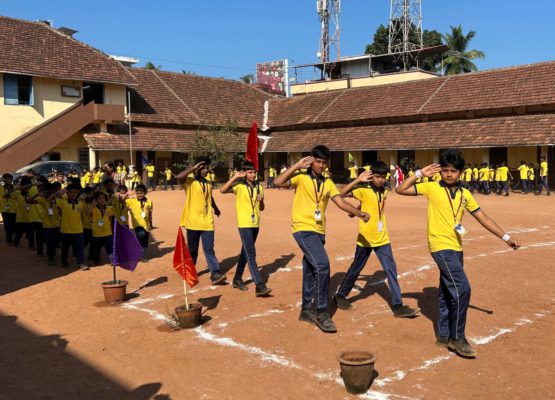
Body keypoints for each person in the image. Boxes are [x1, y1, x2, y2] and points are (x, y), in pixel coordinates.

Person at [396, 149, 520, 358]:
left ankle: (443, 335)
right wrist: (419, 174)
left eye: (453, 171)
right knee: (462, 288)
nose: (448, 174)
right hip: (439, 245)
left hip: (456, 247)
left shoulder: (465, 194)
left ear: (461, 172)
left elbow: (483, 218)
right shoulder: (431, 187)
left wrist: (506, 237)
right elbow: (400, 189)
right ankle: (457, 337)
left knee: (446, 291)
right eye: (445, 170)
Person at [273, 145, 369, 333]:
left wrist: (359, 213)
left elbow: (340, 201)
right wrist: (297, 165)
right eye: (318, 161)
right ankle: (322, 311)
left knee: (310, 270)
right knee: (323, 265)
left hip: (319, 230)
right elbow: (278, 181)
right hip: (302, 228)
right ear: (311, 160)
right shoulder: (300, 177)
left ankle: (306, 310)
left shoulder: (328, 182)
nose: (321, 166)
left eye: (324, 162)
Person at [334, 161, 420, 318]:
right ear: (371, 176)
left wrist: (358, 209)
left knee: (391, 270)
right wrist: (356, 181)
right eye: (377, 177)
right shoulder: (362, 189)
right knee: (356, 268)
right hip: (366, 238)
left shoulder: (384, 191)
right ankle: (340, 295)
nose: (380, 180)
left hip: (382, 238)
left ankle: (398, 305)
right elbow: (339, 195)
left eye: (383, 177)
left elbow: (369, 204)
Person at [220, 161, 272, 296]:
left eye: (254, 172)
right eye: (250, 172)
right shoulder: (239, 186)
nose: (253, 174)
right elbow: (222, 190)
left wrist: (261, 201)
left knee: (245, 252)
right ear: (244, 173)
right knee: (251, 253)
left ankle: (237, 279)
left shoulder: (259, 187)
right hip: (244, 224)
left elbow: (262, 208)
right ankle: (259, 285)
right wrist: (235, 177)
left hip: (255, 224)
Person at [176, 158, 226, 285]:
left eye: (206, 168)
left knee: (209, 248)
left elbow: (210, 197)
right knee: (192, 249)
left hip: (207, 221)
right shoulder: (189, 181)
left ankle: (215, 273)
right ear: (197, 169)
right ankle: (189, 271)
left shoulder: (208, 182)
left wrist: (216, 208)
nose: (206, 170)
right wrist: (193, 167)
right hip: (193, 221)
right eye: (203, 168)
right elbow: (179, 177)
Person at [53, 184, 88, 270]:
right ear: (67, 193)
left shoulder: (81, 204)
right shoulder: (63, 202)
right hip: (65, 230)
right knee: (65, 248)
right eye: (71, 192)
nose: (73, 194)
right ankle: (64, 262)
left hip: (78, 230)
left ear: (78, 193)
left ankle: (81, 263)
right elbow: (48, 200)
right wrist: (58, 193)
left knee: (79, 248)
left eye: (75, 192)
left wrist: (85, 227)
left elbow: (84, 216)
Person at [34, 182, 61, 266]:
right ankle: (51, 257)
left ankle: (51, 253)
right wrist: (37, 194)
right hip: (47, 226)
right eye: (48, 192)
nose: (50, 193)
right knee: (50, 242)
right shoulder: (43, 200)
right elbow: (29, 201)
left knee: (56, 242)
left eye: (52, 192)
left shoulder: (59, 200)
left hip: (58, 225)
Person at [126, 184, 153, 262]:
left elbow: (150, 214)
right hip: (137, 225)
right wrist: (125, 195)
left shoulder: (149, 202)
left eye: (141, 193)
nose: (139, 195)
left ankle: (142, 256)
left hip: (146, 226)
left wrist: (151, 224)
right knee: (141, 235)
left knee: (145, 241)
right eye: (137, 193)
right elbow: (121, 200)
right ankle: (137, 253)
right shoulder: (131, 201)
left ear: (145, 193)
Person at [90, 192, 114, 265]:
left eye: (103, 198)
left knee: (109, 247)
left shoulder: (109, 208)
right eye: (99, 198)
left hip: (107, 232)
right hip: (97, 232)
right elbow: (88, 213)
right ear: (96, 200)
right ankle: (96, 260)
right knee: (97, 248)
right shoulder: (93, 208)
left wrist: (112, 229)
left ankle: (112, 260)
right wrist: (91, 206)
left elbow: (110, 219)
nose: (101, 200)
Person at [1, 174, 16, 244]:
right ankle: (9, 238)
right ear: (4, 179)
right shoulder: (1, 187)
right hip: (4, 209)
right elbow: (4, 195)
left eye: (10, 179)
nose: (10, 181)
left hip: (13, 208)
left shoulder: (13, 187)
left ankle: (11, 235)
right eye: (8, 179)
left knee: (13, 224)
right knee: (7, 224)